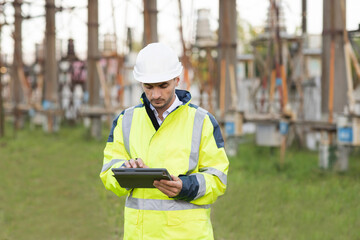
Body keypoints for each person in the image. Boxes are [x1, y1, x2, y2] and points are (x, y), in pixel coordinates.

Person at [100, 42, 229, 240]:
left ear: (177, 79)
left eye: (163, 86)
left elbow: (217, 178)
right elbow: (108, 172)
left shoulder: (201, 121)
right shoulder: (125, 121)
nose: (156, 94)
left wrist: (186, 187)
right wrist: (126, 170)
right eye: (148, 87)